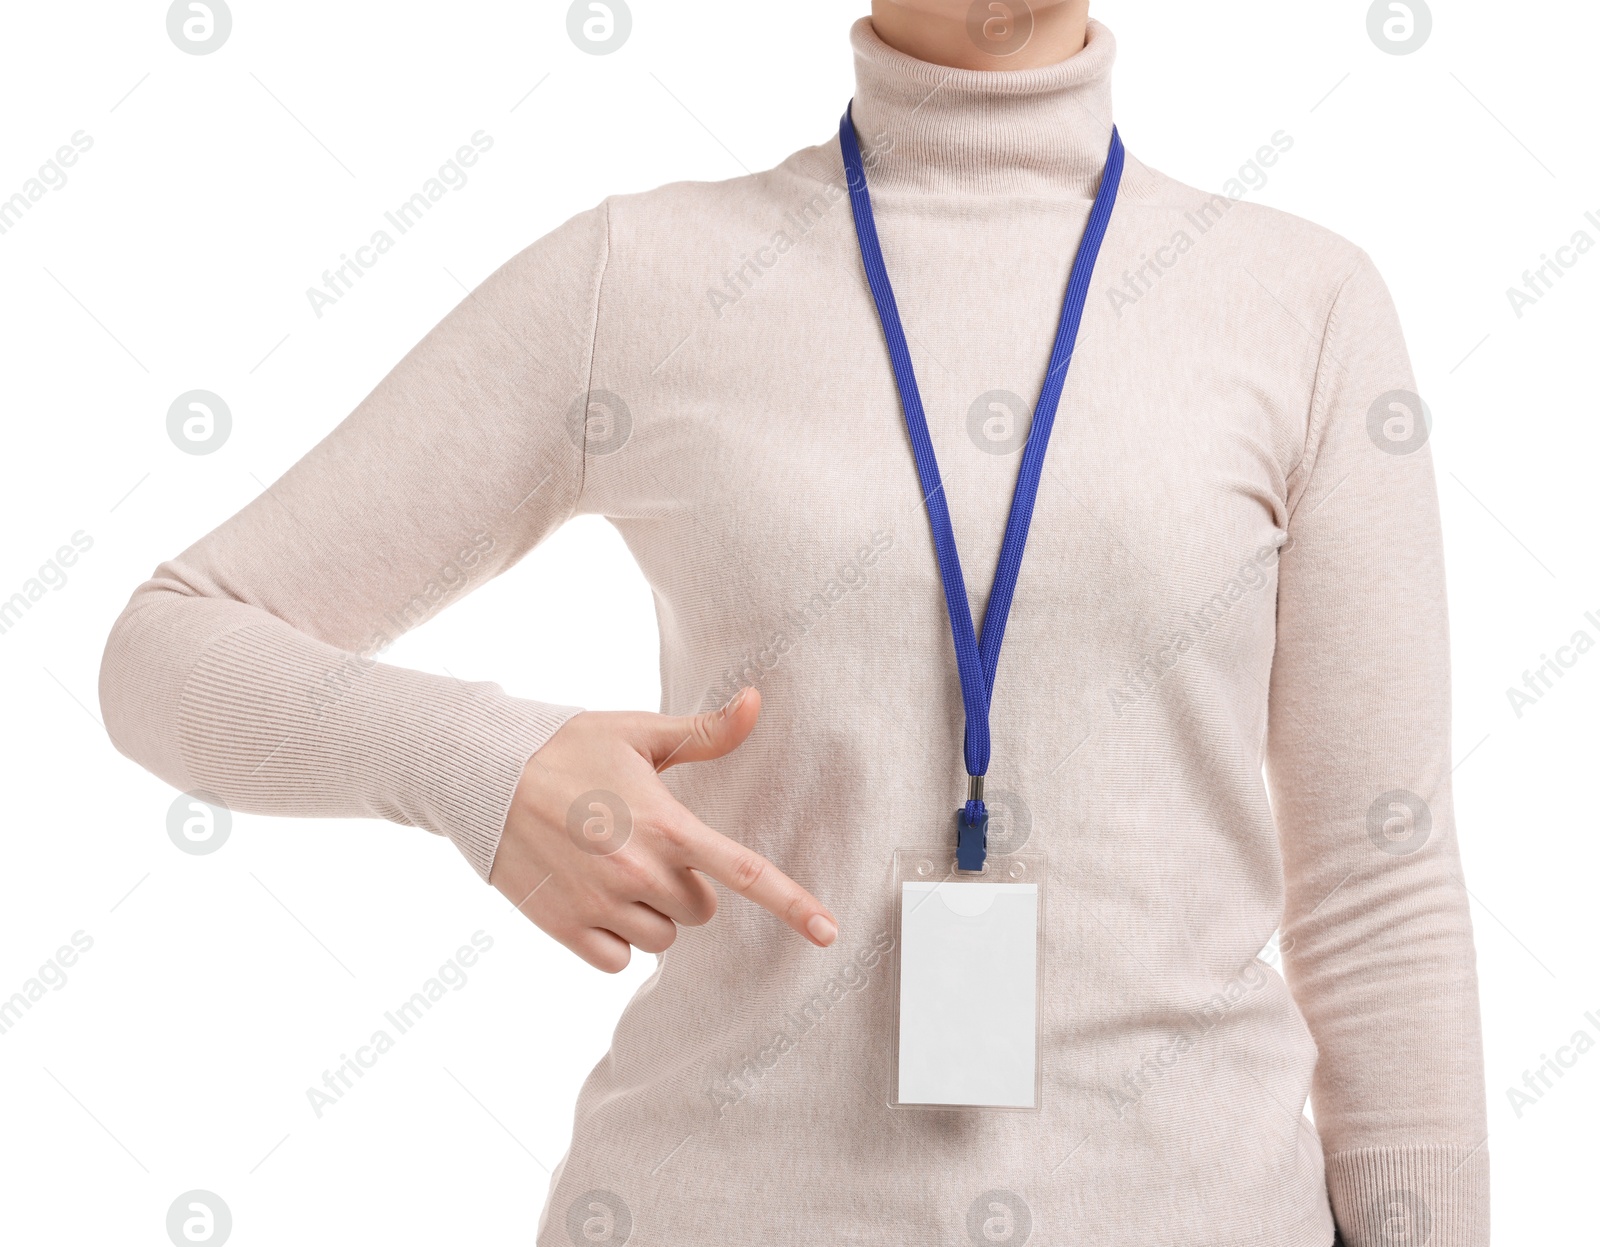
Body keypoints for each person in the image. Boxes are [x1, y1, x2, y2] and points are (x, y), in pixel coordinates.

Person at [99, 1, 1489, 1243]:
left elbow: (1380, 888)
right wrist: (487, 763)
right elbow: (165, 648)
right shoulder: (640, 278)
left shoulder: (1303, 307)